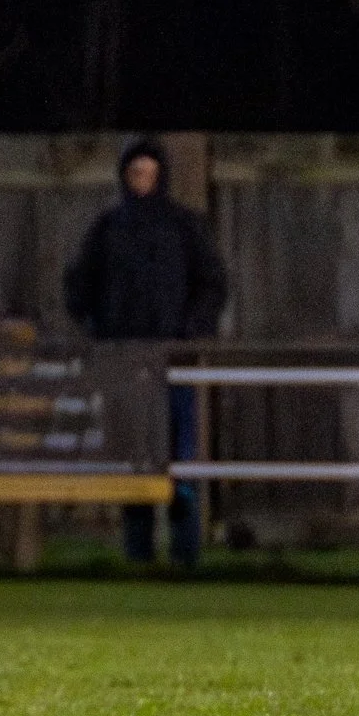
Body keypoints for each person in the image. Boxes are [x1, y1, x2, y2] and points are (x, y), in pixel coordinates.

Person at [63, 137, 227, 566]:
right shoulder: (108, 228)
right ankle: (137, 555)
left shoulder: (184, 227)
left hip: (173, 363)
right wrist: (103, 332)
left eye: (150, 172)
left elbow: (212, 284)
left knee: (180, 458)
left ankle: (186, 554)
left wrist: (189, 335)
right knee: (132, 457)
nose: (143, 180)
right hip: (125, 364)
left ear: (162, 175)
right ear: (124, 175)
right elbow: (79, 287)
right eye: (136, 172)